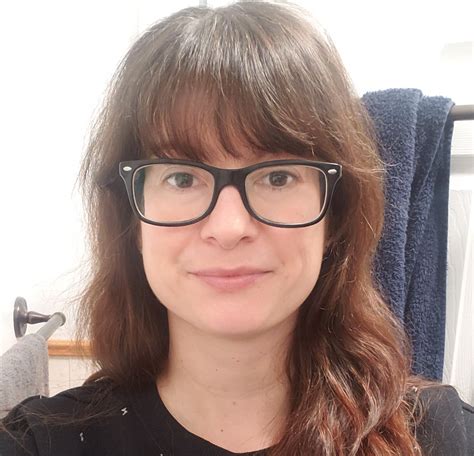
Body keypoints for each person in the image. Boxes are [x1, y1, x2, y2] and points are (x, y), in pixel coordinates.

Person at [1, 1, 472, 455]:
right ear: (131, 218)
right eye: (181, 178)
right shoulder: (38, 443)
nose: (229, 228)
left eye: (278, 177)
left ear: (335, 214)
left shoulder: (440, 436)